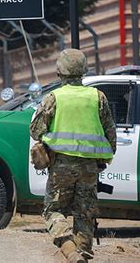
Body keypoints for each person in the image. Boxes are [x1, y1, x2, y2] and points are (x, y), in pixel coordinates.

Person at [30, 49, 117, 262]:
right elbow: (110, 133)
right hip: (90, 167)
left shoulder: (54, 97)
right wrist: (104, 158)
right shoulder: (98, 96)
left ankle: (69, 250)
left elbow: (35, 130)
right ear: (83, 71)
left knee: (53, 210)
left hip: (61, 165)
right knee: (85, 213)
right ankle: (83, 254)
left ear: (60, 72)